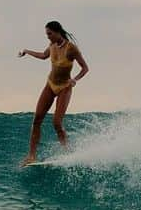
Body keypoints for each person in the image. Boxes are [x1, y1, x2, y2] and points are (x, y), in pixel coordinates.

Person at [18, 21, 89, 165]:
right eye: (47, 34)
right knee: (37, 119)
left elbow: (85, 68)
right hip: (50, 84)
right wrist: (26, 51)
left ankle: (67, 153)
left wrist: (75, 80)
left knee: (57, 123)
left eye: (49, 34)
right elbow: (44, 55)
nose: (48, 37)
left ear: (57, 32)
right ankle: (31, 156)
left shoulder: (71, 48)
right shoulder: (52, 46)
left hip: (64, 87)